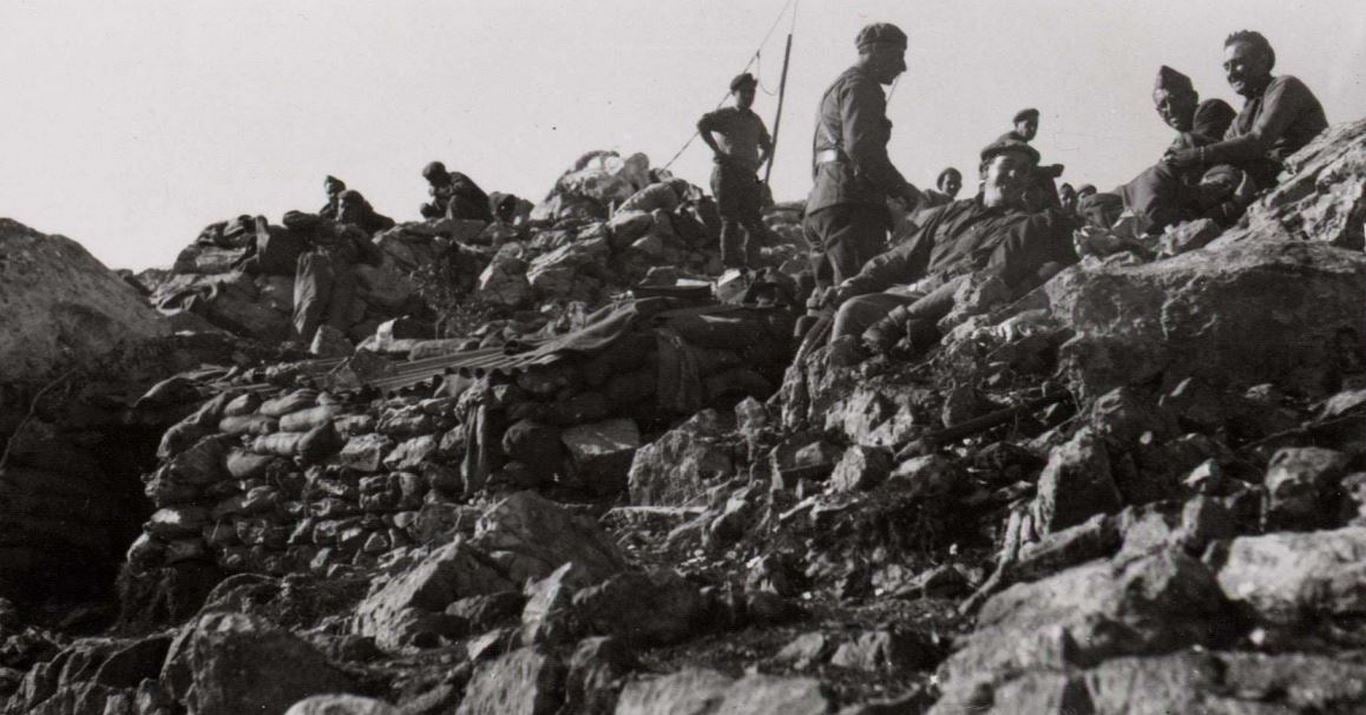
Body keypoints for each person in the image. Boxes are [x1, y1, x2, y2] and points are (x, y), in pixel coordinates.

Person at [826, 139, 1078, 353]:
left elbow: (990, 275)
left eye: (1023, 171)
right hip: (909, 293)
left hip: (950, 302)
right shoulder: (952, 211)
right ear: (984, 171)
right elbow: (902, 254)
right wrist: (857, 281)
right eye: (1008, 165)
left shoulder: (1023, 225)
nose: (1015, 176)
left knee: (853, 311)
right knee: (824, 320)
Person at [804, 23, 923, 289]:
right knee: (857, 295)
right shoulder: (861, 86)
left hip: (824, 205)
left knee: (827, 303)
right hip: (852, 207)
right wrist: (903, 190)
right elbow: (862, 150)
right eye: (898, 55)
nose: (902, 67)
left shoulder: (838, 86)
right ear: (877, 51)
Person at [1164, 30, 1327, 188]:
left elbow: (1258, 141)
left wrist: (1198, 154)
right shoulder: (1243, 115)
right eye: (1226, 67)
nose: (1231, 73)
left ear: (1262, 61)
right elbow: (1228, 147)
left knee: (1196, 151)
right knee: (1187, 144)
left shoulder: (1285, 86)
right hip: (1263, 171)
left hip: (1294, 167)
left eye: (1237, 64)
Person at [698, 72, 775, 269]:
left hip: (747, 175)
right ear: (734, 93)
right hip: (727, 173)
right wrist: (717, 151)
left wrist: (757, 164)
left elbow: (767, 146)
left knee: (754, 224)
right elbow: (702, 124)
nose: (749, 96)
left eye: (752, 93)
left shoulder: (755, 121)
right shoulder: (726, 115)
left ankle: (753, 267)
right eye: (745, 92)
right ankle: (731, 267)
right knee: (730, 221)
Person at [420, 161, 493, 222]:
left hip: (482, 215)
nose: (431, 183)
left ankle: (452, 231)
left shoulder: (456, 177)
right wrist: (428, 210)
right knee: (425, 209)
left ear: (440, 175)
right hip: (465, 217)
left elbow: (461, 189)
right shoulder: (440, 190)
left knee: (455, 200)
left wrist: (438, 193)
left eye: (432, 179)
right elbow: (441, 210)